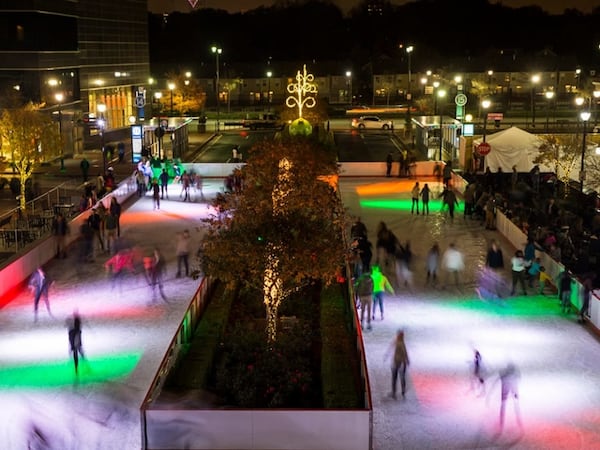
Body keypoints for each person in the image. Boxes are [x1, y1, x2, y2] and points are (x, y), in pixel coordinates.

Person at [387, 329, 410, 399]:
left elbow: (404, 353)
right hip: (399, 362)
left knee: (396, 377)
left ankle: (396, 391)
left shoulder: (399, 343)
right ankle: (400, 390)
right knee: (399, 377)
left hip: (398, 362)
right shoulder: (400, 342)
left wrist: (406, 360)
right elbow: (405, 352)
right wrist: (407, 360)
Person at [67, 310, 85, 375]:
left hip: (75, 337)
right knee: (77, 350)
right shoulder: (74, 331)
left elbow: (72, 337)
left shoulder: (72, 331)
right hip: (75, 336)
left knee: (76, 350)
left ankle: (77, 367)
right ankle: (79, 365)